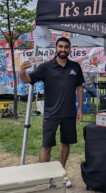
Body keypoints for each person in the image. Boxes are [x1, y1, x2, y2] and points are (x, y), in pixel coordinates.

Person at [20, 37, 84, 188]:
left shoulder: (75, 67)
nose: (63, 49)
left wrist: (80, 109)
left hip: (69, 114)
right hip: (51, 114)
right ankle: (44, 178)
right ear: (56, 48)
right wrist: (22, 71)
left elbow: (79, 87)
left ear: (69, 49)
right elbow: (27, 80)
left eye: (66, 47)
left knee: (65, 144)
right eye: (60, 46)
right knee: (46, 146)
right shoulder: (45, 67)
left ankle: (61, 175)